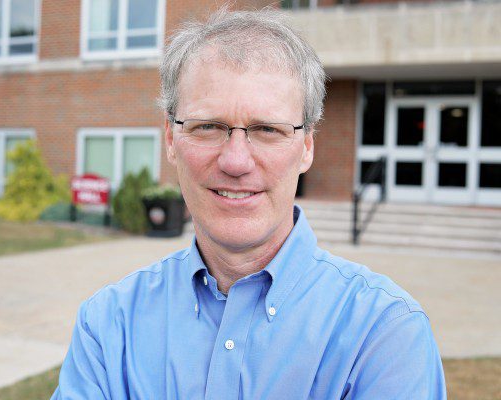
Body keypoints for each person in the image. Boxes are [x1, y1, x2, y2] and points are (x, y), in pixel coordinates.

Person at [52, 8, 446, 400]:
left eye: (267, 129)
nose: (236, 162)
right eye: (207, 127)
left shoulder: (384, 335)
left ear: (306, 147)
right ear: (171, 141)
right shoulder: (107, 327)